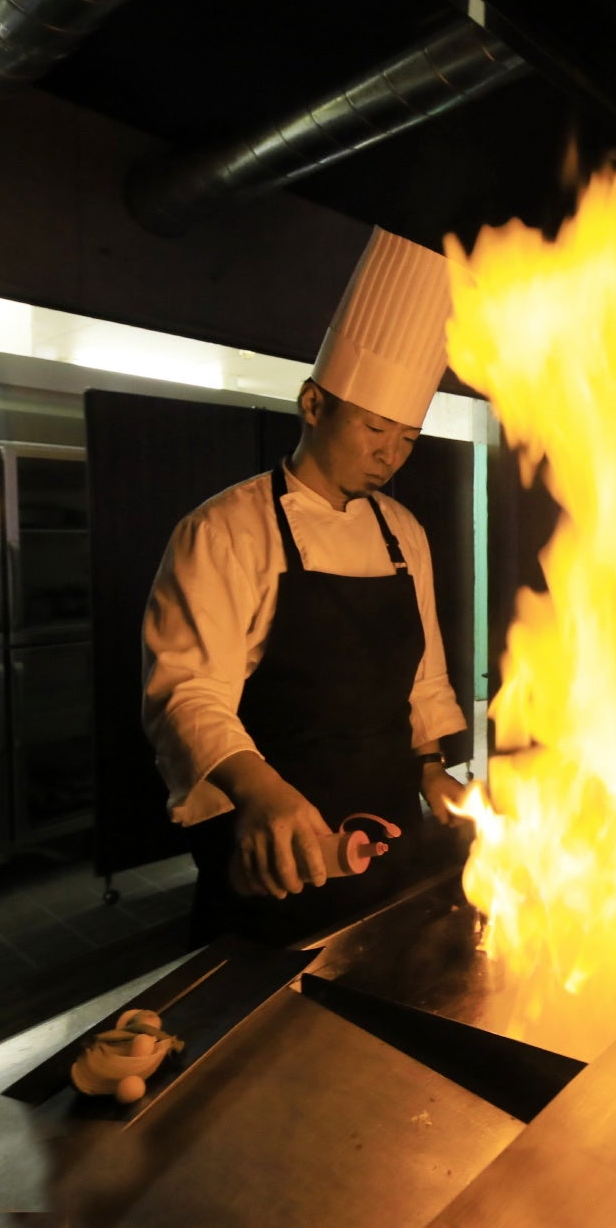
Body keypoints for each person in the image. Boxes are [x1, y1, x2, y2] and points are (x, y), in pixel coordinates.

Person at [141, 228, 469, 946]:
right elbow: (186, 694)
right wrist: (263, 795)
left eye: (407, 438)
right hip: (280, 839)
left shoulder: (403, 532)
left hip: (390, 833)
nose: (390, 455)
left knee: (387, 969)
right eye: (376, 429)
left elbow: (421, 678)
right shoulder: (225, 529)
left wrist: (430, 771)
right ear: (314, 405)